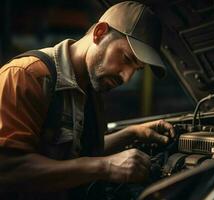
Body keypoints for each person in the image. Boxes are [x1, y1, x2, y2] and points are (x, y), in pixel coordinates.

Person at [0, 1, 175, 199]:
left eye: (136, 69)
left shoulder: (91, 88)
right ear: (99, 33)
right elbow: (7, 170)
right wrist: (105, 166)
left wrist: (130, 134)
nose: (126, 78)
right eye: (126, 58)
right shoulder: (26, 76)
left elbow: (76, 154)